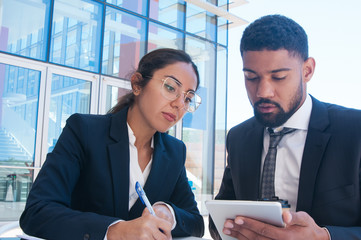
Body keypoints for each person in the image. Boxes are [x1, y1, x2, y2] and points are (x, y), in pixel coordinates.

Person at [20, 48, 204, 240]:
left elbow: (196, 224)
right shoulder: (84, 131)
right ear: (137, 84)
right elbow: (37, 212)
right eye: (170, 87)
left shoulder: (175, 151)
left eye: (188, 98)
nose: (179, 104)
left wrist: (169, 213)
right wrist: (114, 230)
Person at [209, 14, 361, 240]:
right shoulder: (239, 137)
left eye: (278, 77)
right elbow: (219, 217)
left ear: (307, 70)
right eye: (251, 77)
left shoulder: (354, 130)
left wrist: (325, 237)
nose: (263, 92)